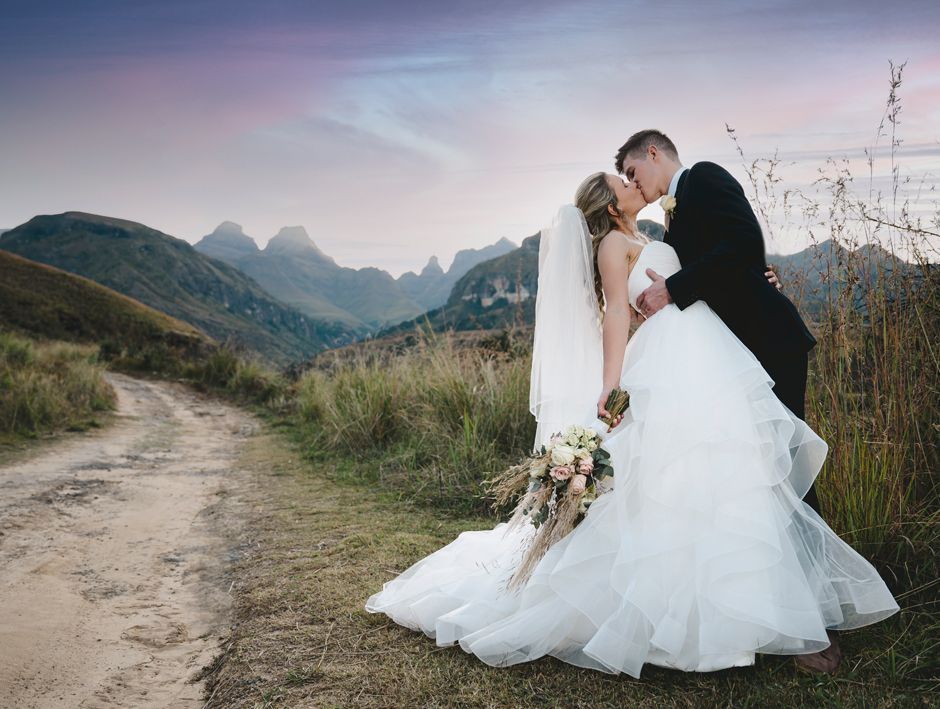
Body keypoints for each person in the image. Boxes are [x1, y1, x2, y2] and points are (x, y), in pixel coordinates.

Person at [363, 171, 900, 679]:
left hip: (706, 353)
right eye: (621, 181)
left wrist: (756, 280)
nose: (632, 183)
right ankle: (684, 619)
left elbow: (706, 273)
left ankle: (751, 612)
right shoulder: (612, 245)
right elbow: (618, 311)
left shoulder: (653, 232)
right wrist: (613, 384)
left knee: (729, 474)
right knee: (673, 476)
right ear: (608, 202)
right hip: (668, 360)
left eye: (630, 173)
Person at [615, 129, 834, 670]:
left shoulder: (706, 177)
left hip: (769, 347)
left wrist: (672, 288)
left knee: (781, 471)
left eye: (631, 171)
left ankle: (815, 628)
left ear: (653, 153)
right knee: (750, 476)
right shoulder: (676, 214)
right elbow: (732, 263)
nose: (632, 183)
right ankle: (762, 609)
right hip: (735, 356)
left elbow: (741, 244)